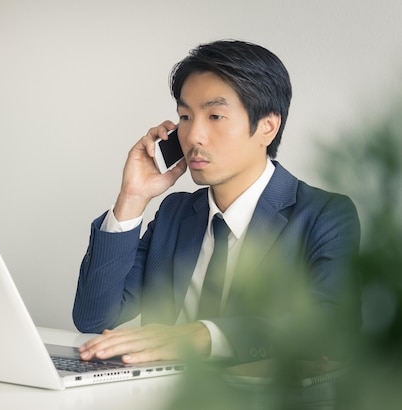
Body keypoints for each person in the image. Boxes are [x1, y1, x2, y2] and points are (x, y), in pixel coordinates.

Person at [72, 40, 361, 367]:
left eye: (215, 116)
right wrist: (132, 197)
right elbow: (93, 318)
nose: (194, 135)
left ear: (267, 126)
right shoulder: (175, 214)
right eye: (184, 116)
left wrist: (200, 335)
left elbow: (332, 327)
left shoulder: (324, 215)